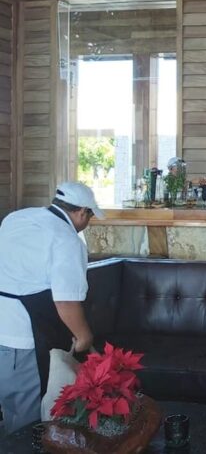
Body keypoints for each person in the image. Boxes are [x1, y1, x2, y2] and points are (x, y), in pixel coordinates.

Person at [0, 182, 103, 433]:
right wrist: (84, 337)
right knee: (28, 419)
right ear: (82, 212)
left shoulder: (17, 218)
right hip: (21, 338)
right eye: (90, 216)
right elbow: (66, 300)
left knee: (8, 408)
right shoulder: (67, 239)